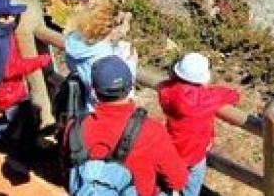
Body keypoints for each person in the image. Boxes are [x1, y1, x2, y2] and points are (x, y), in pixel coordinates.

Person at [66, 56, 188, 196]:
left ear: (94, 91)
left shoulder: (75, 128)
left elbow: (70, 169)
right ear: (131, 86)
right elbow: (178, 180)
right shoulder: (152, 131)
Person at [158, 52, 240, 196]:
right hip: (195, 153)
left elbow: (166, 85)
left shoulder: (166, 91)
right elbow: (230, 95)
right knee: (192, 186)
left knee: (170, 182)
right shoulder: (204, 99)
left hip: (172, 148)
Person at [0, 0, 52, 150]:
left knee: (16, 116)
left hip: (1, 86)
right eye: (13, 14)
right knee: (18, 118)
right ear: (2, 19)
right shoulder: (0, 45)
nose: (16, 17)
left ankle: (11, 135)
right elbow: (11, 68)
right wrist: (40, 61)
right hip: (9, 89)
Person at [65, 0, 138, 113]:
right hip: (103, 111)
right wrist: (131, 65)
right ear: (110, 28)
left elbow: (74, 68)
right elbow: (114, 84)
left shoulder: (77, 43)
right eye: (120, 23)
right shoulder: (104, 55)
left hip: (86, 107)